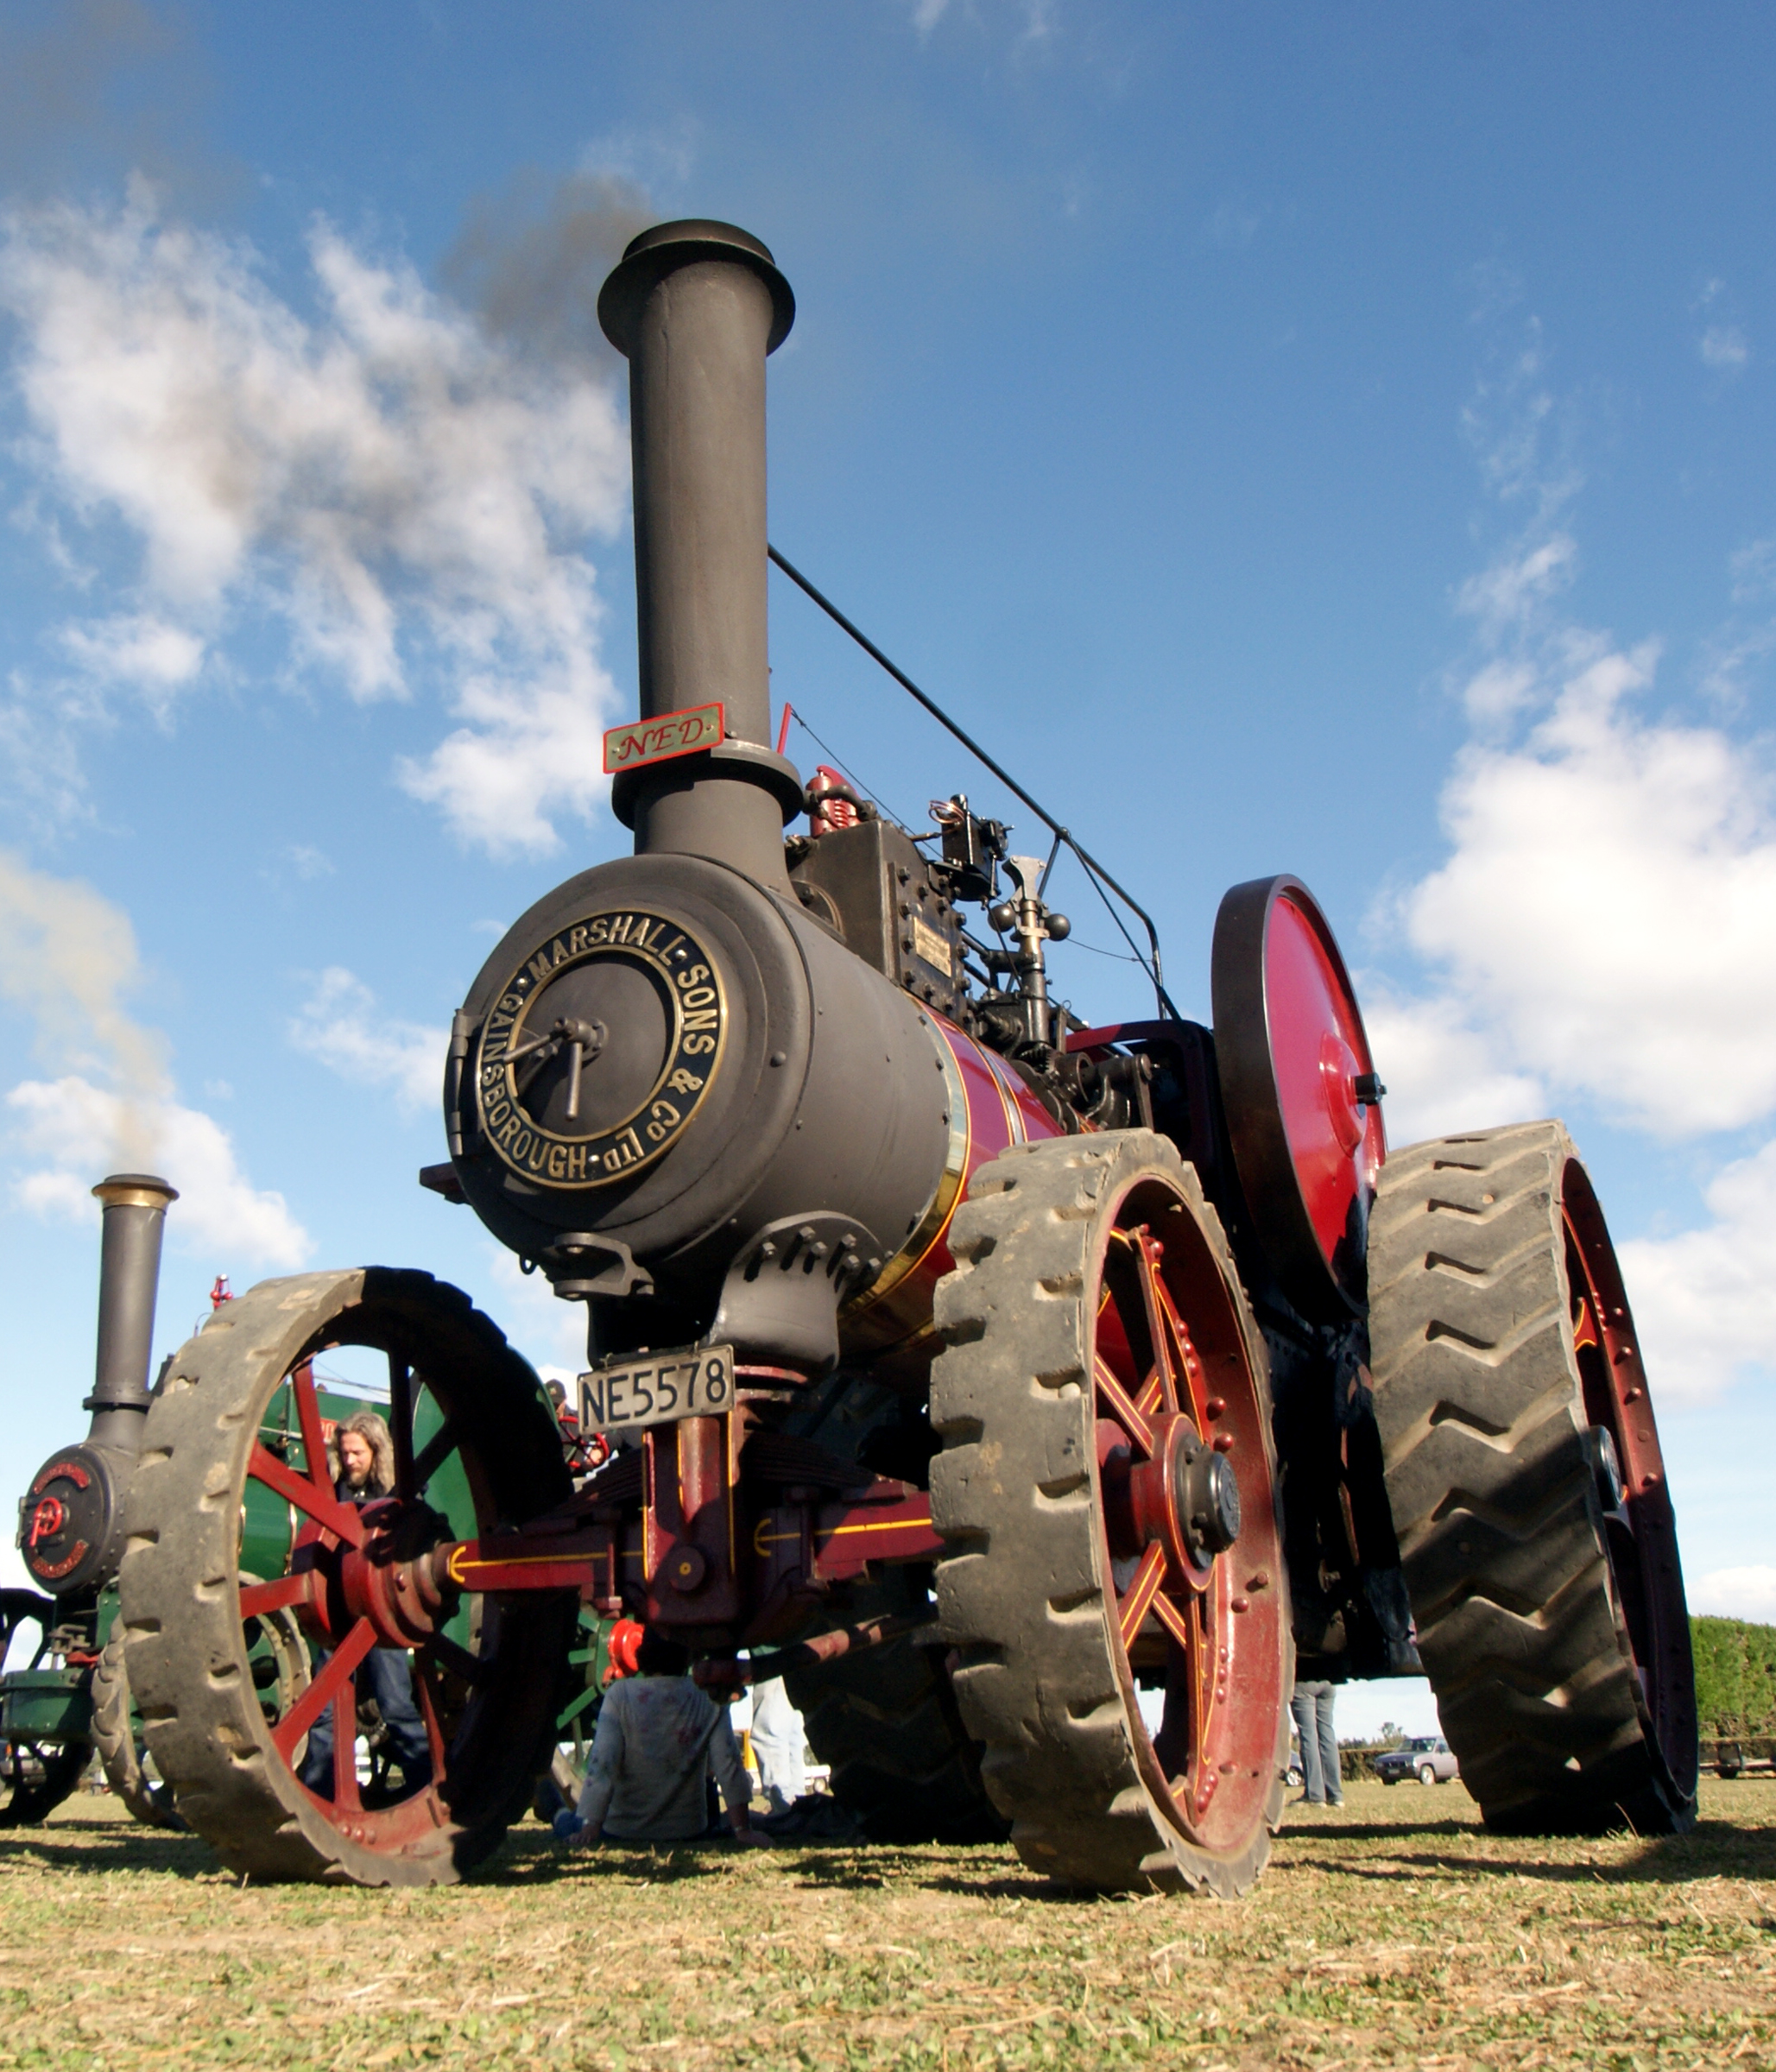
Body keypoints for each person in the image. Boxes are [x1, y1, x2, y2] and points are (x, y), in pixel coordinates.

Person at [298, 1412, 433, 1802]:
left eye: (357, 1452)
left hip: (378, 1618)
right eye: (345, 1453)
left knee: (396, 1706)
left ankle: (425, 1787)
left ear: (375, 1451)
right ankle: (322, 1794)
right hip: (337, 1616)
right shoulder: (334, 1492)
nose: (351, 1460)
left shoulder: (397, 1497)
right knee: (325, 1712)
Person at [554, 1628, 764, 1848]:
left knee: (568, 1822)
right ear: (688, 1655)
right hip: (690, 1829)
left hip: (622, 1830)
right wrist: (743, 1830)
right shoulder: (706, 1698)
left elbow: (603, 1764)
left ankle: (555, 1809)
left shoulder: (620, 1695)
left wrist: (590, 1828)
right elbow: (728, 1767)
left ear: (641, 1655)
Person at [747, 1671, 806, 1817]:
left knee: (768, 1731)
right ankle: (798, 1805)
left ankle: (784, 1808)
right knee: (791, 1734)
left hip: (773, 1667)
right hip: (796, 1667)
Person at [1290, 1674, 1343, 1809]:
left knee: (1308, 1735)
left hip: (1303, 1682)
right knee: (1327, 1734)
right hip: (1328, 1681)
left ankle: (1314, 1795)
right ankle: (1335, 1795)